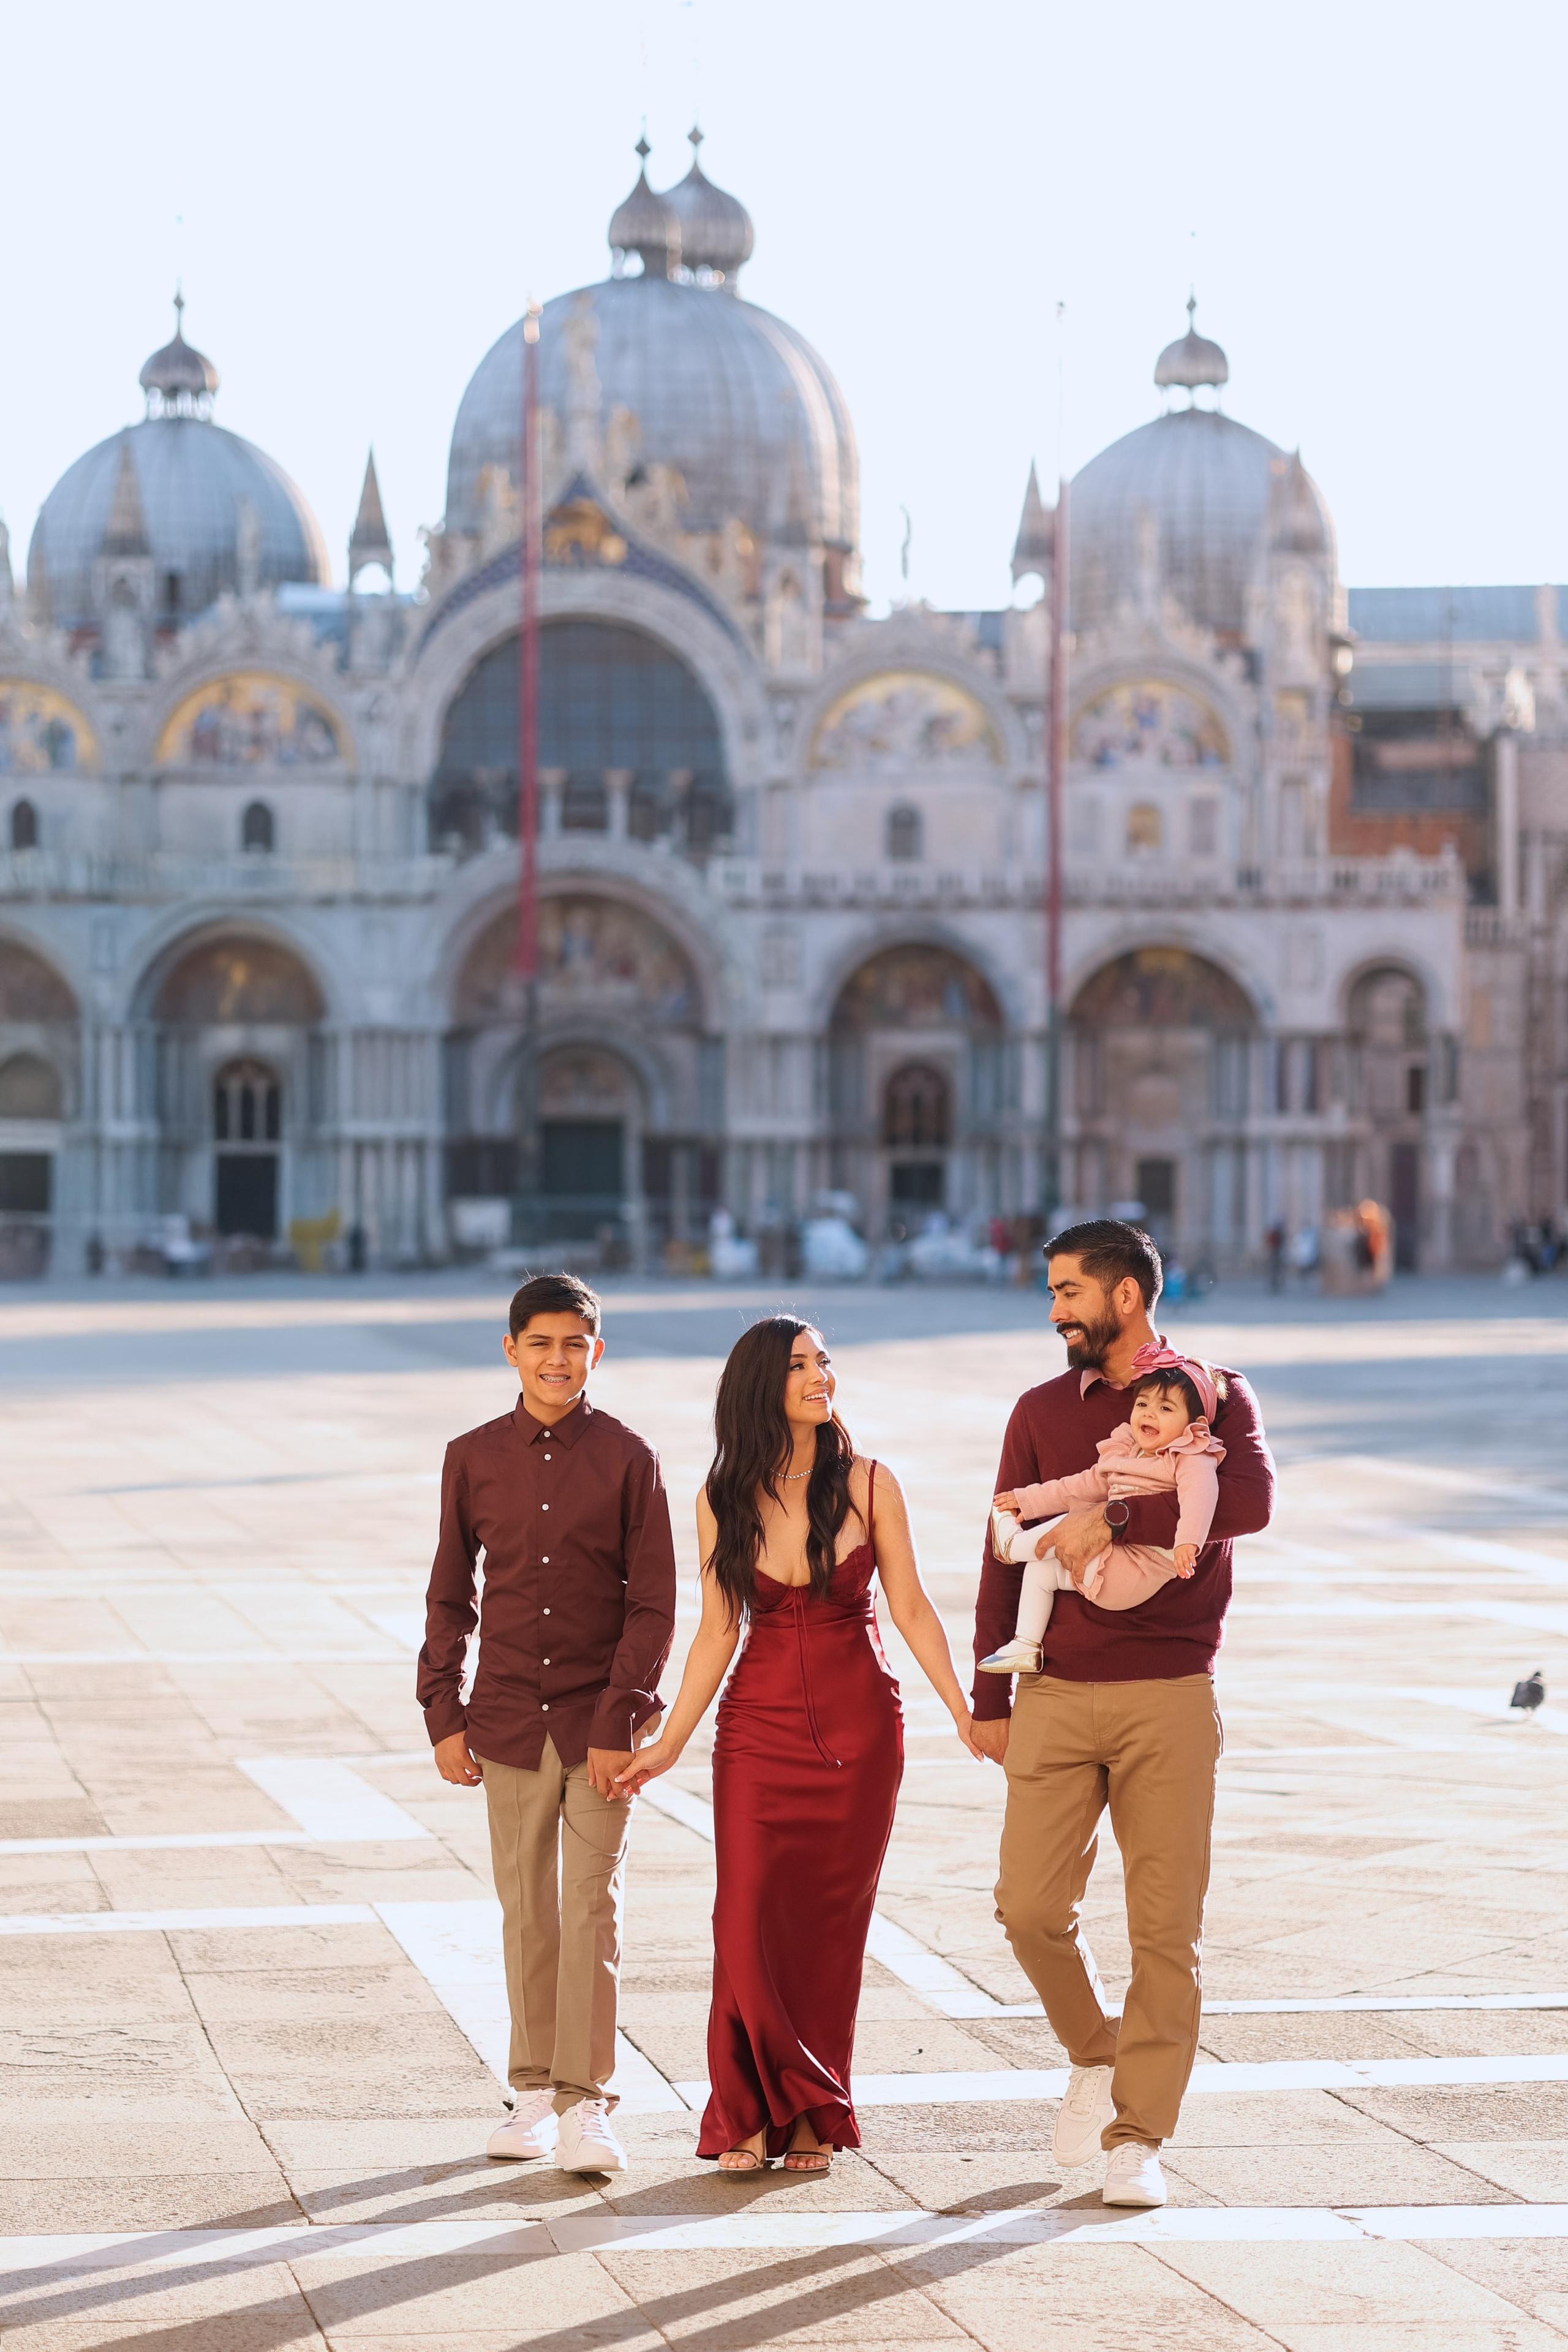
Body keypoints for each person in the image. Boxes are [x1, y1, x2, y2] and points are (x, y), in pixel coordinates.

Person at [618, 1316, 981, 2173]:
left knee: (828, 1927)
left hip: (862, 1732)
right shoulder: (719, 1498)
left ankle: (816, 2111)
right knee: (743, 1918)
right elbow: (715, 1630)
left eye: (824, 1360)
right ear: (760, 1386)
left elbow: (914, 1609)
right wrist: (670, 1741)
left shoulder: (870, 1483)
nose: (822, 1374)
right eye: (800, 1365)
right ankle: (742, 2112)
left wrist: (966, 1712)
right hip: (756, 1732)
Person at [971, 1221, 1275, 2211]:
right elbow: (1003, 1538)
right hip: (1055, 1689)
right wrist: (990, 1696)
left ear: (1127, 1298)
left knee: (1165, 1933)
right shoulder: (1039, 1408)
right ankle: (1096, 2054)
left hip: (1171, 1695)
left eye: (1069, 1291)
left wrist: (1114, 1518)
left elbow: (1251, 1503)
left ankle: (1140, 2135)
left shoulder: (1217, 1392)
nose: (1054, 1307)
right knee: (1025, 1909)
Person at [418, 1272, 676, 2176]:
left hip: (601, 1723)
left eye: (576, 1344)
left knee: (589, 1908)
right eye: (542, 1344)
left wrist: (623, 1718)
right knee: (527, 1910)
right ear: (512, 1351)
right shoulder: (472, 1456)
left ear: (596, 1352)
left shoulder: (631, 1458)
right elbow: (451, 1594)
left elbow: (653, 1604)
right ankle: (532, 2091)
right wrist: (442, 1712)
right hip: (508, 1720)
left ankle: (589, 2101)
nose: (558, 1360)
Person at [979, 1344, 1224, 1671]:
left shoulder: (1190, 1454)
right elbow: (1082, 1484)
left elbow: (1201, 1496)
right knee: (1041, 1572)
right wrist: (1028, 1500)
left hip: (1135, 1570)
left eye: (1166, 1409)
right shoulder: (1130, 1453)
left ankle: (1013, 1546)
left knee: (1077, 1519)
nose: (1149, 1413)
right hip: (1118, 1565)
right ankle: (1026, 1644)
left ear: (1195, 1424)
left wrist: (1187, 1542)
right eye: (1142, 1403)